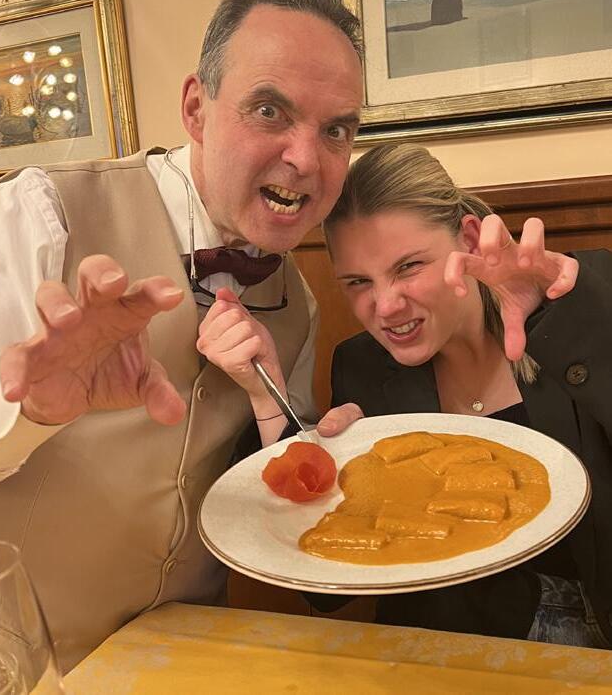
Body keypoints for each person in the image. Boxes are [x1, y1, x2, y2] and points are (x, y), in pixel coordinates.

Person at [0, 0, 363, 672]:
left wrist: (298, 438)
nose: (307, 159)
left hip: (184, 658)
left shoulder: (299, 302)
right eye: (269, 110)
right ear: (196, 108)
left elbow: (279, 505)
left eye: (336, 129)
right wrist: (31, 413)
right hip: (15, 662)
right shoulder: (39, 214)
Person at [208, 140, 612, 649]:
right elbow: (325, 591)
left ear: (468, 240)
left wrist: (568, 323)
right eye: (358, 281)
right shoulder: (362, 367)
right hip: (449, 652)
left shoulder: (581, 297)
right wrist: (268, 398)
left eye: (408, 267)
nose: (386, 306)